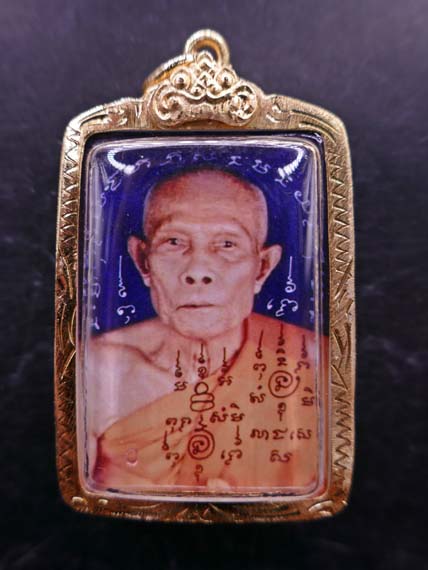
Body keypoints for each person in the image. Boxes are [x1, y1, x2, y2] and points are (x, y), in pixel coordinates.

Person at [87, 168, 326, 494]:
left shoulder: (314, 365)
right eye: (174, 242)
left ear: (262, 267)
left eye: (227, 244)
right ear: (143, 260)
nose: (198, 271)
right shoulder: (99, 372)